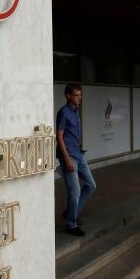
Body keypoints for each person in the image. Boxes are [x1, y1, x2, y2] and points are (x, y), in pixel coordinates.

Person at [56, 84, 96, 236]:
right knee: (75, 191)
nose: (79, 98)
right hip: (69, 156)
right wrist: (66, 159)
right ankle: (71, 225)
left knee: (91, 185)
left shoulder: (76, 112)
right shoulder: (64, 113)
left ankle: (71, 212)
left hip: (79, 154)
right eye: (76, 95)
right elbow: (59, 136)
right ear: (68, 96)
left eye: (80, 95)